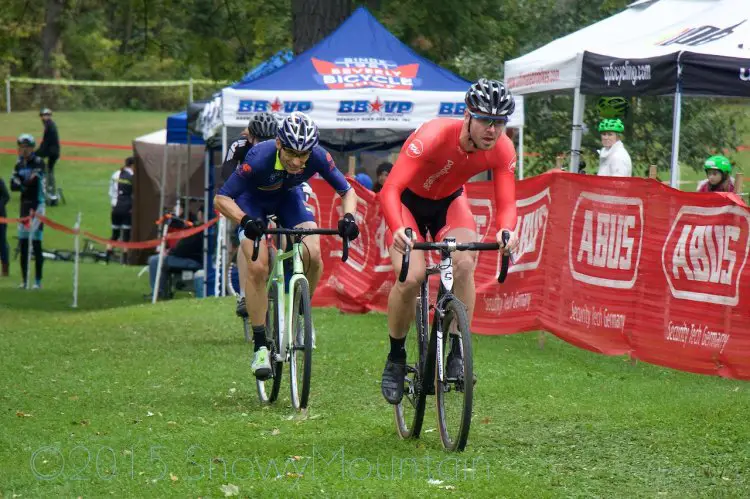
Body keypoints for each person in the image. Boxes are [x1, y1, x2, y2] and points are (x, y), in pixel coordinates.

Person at [378, 78, 520, 404]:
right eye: (486, 120)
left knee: (465, 261)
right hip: (407, 203)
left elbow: (507, 204)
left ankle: (456, 346)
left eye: (500, 122)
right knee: (411, 277)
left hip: (449, 204)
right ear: (467, 115)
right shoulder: (434, 135)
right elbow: (391, 190)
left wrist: (505, 230)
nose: (493, 130)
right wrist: (398, 227)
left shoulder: (502, 148)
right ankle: (396, 356)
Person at [214, 111, 360, 379]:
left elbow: (347, 191)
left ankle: (303, 316)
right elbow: (222, 199)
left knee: (314, 254)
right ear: (279, 143)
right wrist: (245, 220)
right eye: (291, 153)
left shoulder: (317, 155)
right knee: (258, 268)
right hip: (252, 204)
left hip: (289, 200)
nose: (297, 161)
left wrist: (348, 217)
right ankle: (260, 347)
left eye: (303, 155)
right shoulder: (259, 157)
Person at [219, 112, 279, 318]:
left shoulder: (280, 147)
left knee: (286, 230)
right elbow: (227, 178)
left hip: (271, 191)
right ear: (250, 137)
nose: (264, 144)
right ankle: (244, 295)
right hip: (245, 192)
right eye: (259, 140)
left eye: (269, 140)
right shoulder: (239, 146)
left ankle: (279, 271)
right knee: (248, 236)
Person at [10, 134, 46, 289]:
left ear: (32, 148)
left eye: (26, 147)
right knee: (23, 243)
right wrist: (22, 185)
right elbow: (13, 184)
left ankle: (37, 281)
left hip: (37, 205)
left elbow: (33, 181)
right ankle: (25, 281)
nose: (23, 150)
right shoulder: (18, 164)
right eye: (21, 147)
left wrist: (22, 184)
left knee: (36, 243)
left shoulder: (38, 162)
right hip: (24, 206)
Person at [147, 206, 205, 298]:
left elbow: (183, 248)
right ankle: (162, 291)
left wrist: (170, 252)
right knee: (160, 260)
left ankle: (157, 292)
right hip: (195, 259)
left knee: (155, 260)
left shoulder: (198, 230)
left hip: (193, 261)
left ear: (201, 215)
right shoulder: (208, 228)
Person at [107, 157, 135, 263]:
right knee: (126, 235)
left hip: (115, 207)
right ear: (133, 165)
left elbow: (111, 191)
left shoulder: (115, 174)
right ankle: (124, 260)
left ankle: (107, 257)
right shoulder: (133, 177)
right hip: (127, 208)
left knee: (115, 234)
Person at [36, 108, 60, 205]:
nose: (44, 117)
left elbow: (47, 142)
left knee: (48, 171)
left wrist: (37, 153)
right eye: (43, 115)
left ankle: (50, 192)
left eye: (46, 115)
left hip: (52, 152)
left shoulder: (50, 126)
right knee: (49, 170)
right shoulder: (49, 125)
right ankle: (50, 191)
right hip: (52, 151)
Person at [0, 174, 9, 277]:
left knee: (2, 243)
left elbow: (6, 196)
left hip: (1, 217)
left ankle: (5, 269)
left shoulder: (0, 182)